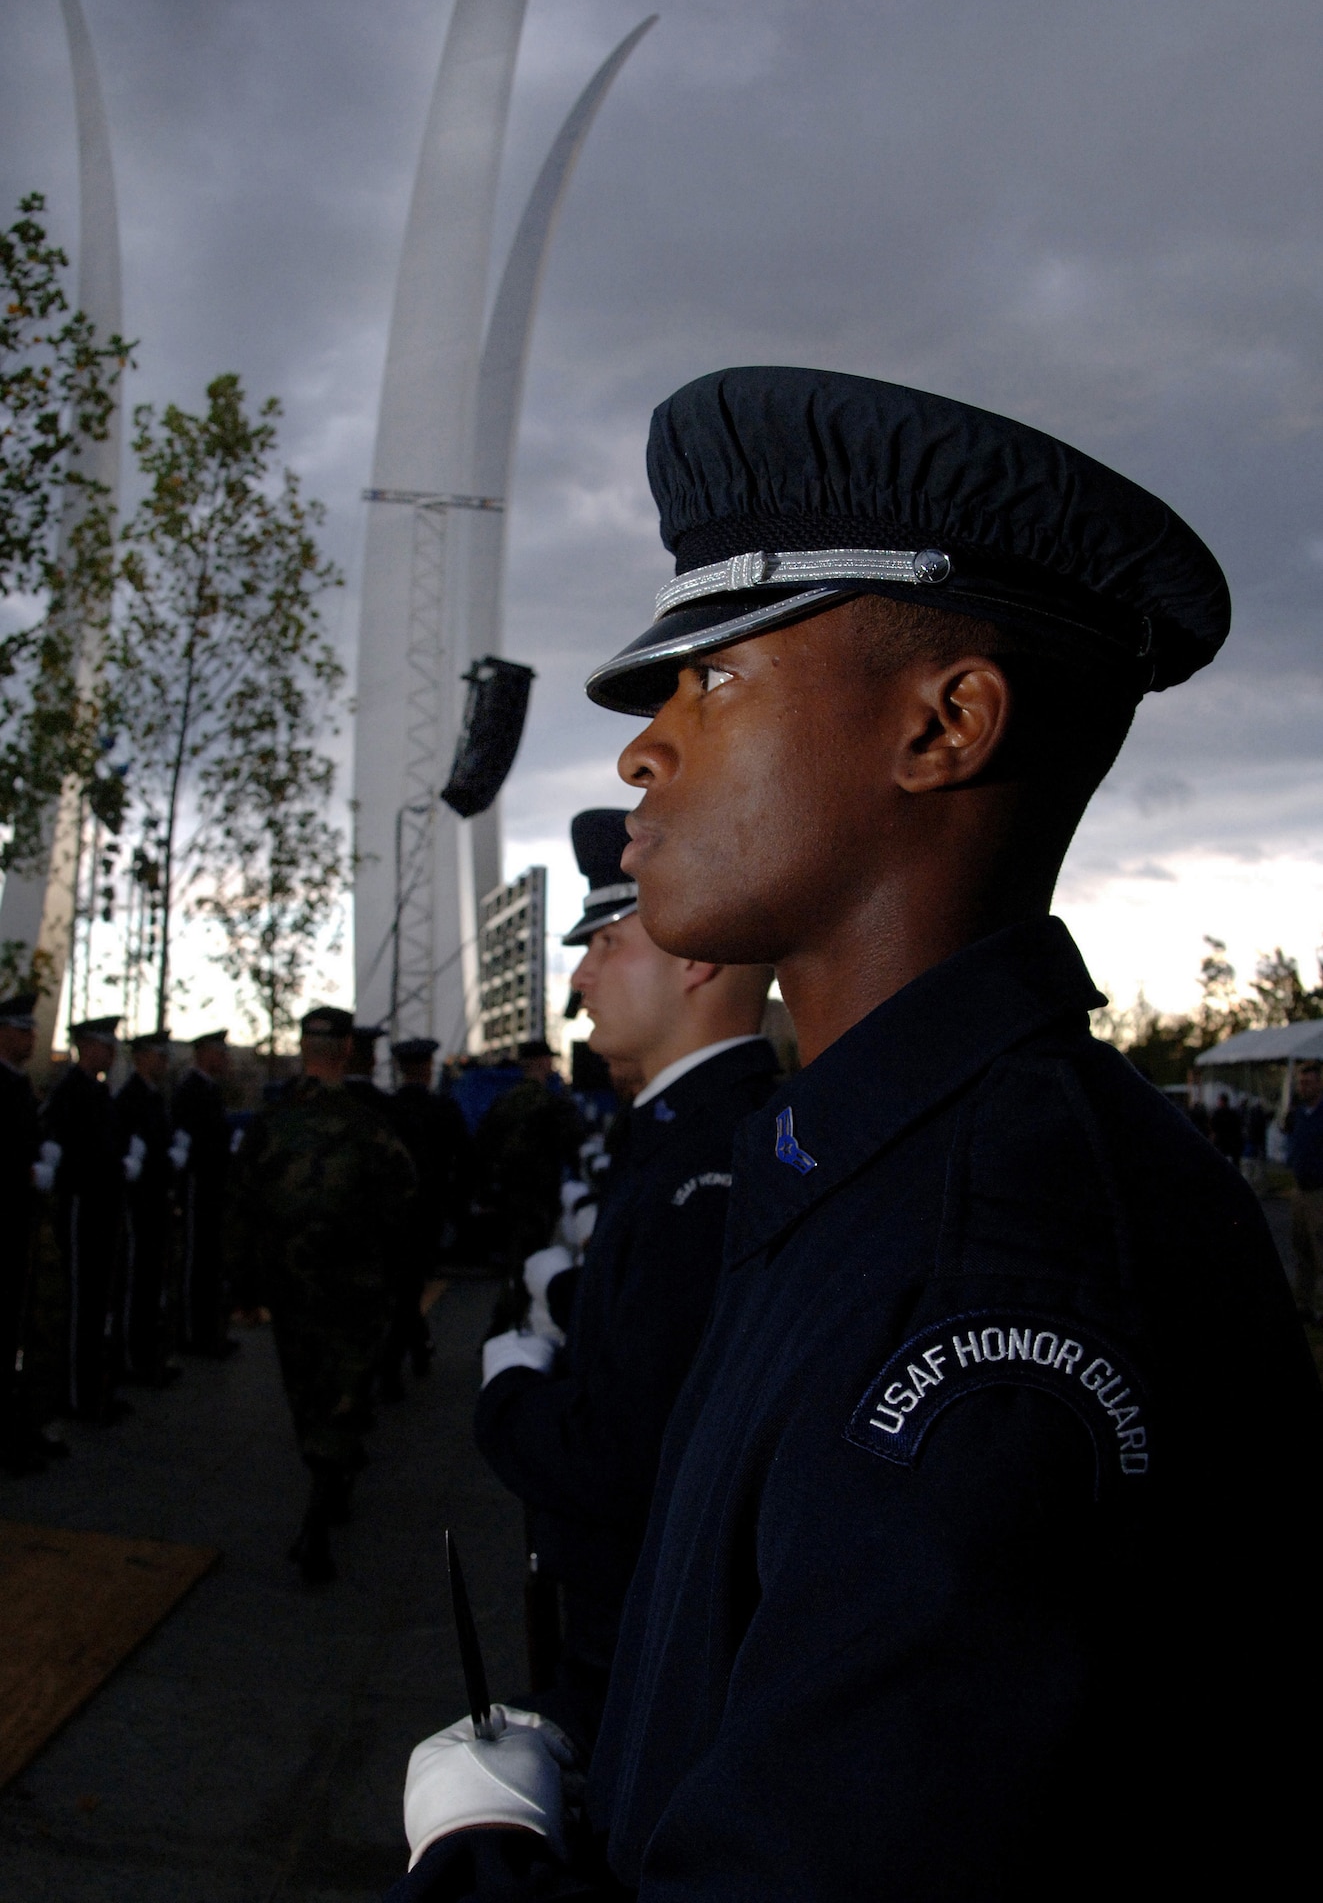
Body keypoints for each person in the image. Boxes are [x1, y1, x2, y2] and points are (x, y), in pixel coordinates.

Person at [391, 367, 1323, 1899]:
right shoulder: (875, 1160)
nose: (642, 748)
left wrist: (480, 1847)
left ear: (941, 725)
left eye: (716, 680)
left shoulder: (987, 1276)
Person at [474, 809, 779, 1754]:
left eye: (607, 942)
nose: (578, 979)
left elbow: (626, 1458)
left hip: (648, 1640)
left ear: (695, 957)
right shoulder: (683, 1139)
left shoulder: (710, 1167)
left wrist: (508, 1390)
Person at [227, 1005, 416, 1582]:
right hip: (355, 1286)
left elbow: (241, 1208)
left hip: (291, 1285)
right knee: (346, 1387)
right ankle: (325, 1491)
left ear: (305, 1049)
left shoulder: (271, 1121)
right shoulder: (371, 1123)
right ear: (347, 1052)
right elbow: (405, 1201)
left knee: (306, 1384)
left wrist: (244, 1286)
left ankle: (322, 1473)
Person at [39, 1013, 125, 1423]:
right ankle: (76, 1396)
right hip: (80, 1207)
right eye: (104, 1044)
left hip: (102, 1206)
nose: (110, 1050)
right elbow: (58, 1148)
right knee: (80, 1302)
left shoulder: (97, 1091)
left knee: (95, 1302)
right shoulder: (72, 1091)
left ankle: (92, 1389)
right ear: (86, 1046)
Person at [382, 1037, 470, 1398]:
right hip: (427, 1210)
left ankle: (414, 1348)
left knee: (399, 1284)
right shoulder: (443, 1109)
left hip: (389, 1212)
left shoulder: (387, 1109)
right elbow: (464, 1158)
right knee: (411, 1284)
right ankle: (398, 1361)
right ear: (426, 1067)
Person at [0, 992, 61, 1471]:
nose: (32, 1038)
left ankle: (17, 1429)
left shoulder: (19, 1085)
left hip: (20, 1223)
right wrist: (26, 1172)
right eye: (23, 1030)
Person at [472, 1040, 585, 1270]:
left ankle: (515, 1289)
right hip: (541, 1192)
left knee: (514, 1251)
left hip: (509, 1190)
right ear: (545, 1062)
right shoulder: (552, 1103)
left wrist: (485, 1191)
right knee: (537, 1253)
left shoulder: (503, 1102)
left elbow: (483, 1146)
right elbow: (572, 1145)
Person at [113, 1030, 182, 1387]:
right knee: (137, 1279)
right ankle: (131, 1358)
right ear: (141, 1057)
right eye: (158, 1055)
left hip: (156, 1199)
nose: (163, 1062)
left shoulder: (154, 1096)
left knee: (152, 1279)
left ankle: (145, 1354)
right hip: (139, 1203)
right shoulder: (132, 1098)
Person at [171, 1027, 239, 1357]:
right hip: (199, 1184)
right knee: (197, 1259)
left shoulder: (208, 1089)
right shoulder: (192, 1090)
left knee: (210, 1259)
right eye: (220, 1052)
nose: (225, 1059)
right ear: (204, 1054)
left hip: (212, 1184)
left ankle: (208, 1329)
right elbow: (194, 1140)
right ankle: (192, 1332)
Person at [1285, 1058, 1323, 1319]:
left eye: (1308, 1082)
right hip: (1299, 1190)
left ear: (1320, 1083)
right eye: (1301, 1082)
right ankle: (1304, 1304)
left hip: (1320, 1191)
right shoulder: (1298, 1113)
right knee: (1302, 1250)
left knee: (1321, 1250)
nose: (1303, 1087)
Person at [1208, 1089, 1244, 1163]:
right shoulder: (1233, 1113)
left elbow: (1213, 1125)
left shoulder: (1217, 1113)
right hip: (1231, 1142)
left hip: (1221, 1141)